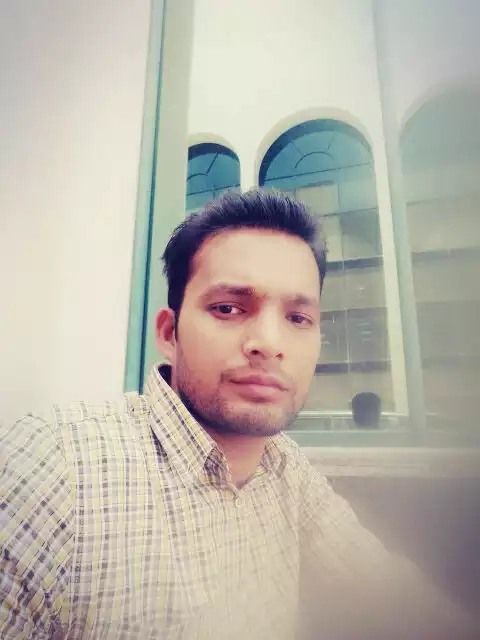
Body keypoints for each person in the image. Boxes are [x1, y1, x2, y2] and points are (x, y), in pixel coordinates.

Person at [0, 190, 475, 639]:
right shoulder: (57, 467)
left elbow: (392, 596)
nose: (269, 343)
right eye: (228, 308)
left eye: (298, 318)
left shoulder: (286, 470)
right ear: (168, 334)